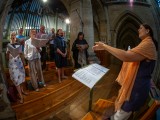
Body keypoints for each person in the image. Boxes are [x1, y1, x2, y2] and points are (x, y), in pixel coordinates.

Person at [93, 23, 157, 120]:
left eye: (140, 28)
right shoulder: (146, 43)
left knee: (122, 113)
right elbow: (128, 54)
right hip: (136, 85)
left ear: (147, 31)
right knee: (123, 111)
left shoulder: (148, 44)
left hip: (136, 88)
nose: (138, 30)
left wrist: (105, 46)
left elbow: (126, 56)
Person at [6, 32, 27, 104]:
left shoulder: (18, 44)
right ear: (10, 36)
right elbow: (7, 58)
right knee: (16, 80)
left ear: (16, 37)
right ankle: (21, 97)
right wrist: (8, 53)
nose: (13, 36)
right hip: (12, 65)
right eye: (12, 35)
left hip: (19, 63)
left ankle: (22, 91)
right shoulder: (8, 45)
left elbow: (21, 54)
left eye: (14, 35)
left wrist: (21, 55)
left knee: (21, 78)